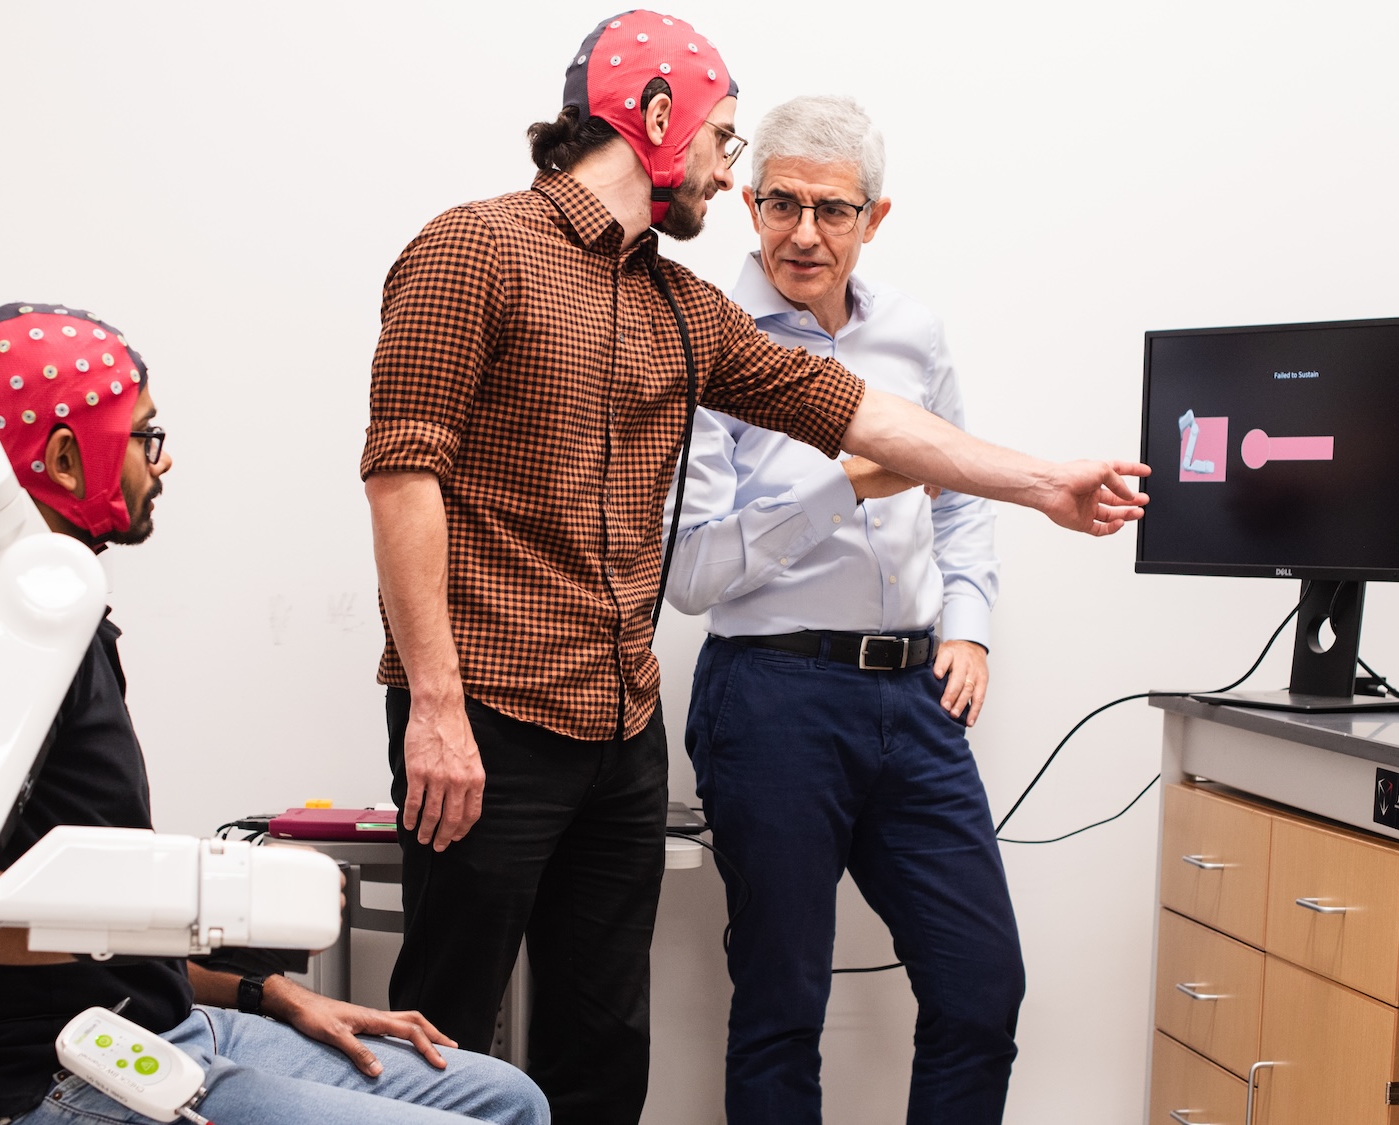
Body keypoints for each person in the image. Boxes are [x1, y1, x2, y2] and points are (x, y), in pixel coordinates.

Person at [361, 11, 1149, 1123]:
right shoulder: (472, 247)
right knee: (443, 1032)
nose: (730, 173)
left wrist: (1041, 483)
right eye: (726, 141)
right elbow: (402, 475)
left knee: (601, 1046)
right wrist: (432, 705)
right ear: (651, 118)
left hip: (618, 728)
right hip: (487, 711)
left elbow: (856, 411)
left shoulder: (680, 308)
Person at [0, 302, 546, 1125]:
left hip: (170, 1024)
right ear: (65, 456)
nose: (161, 463)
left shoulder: (55, 616)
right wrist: (196, 896)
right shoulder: (1, 637)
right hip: (68, 1073)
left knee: (507, 1097)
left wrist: (271, 990)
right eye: (143, 436)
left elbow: (98, 930)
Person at [664, 95, 1024, 1125]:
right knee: (781, 1005)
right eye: (780, 204)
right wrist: (841, 485)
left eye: (832, 209)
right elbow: (690, 575)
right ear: (746, 199)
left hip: (913, 698)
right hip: (770, 696)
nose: (804, 234)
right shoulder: (705, 344)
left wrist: (968, 625)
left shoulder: (912, 334)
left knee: (979, 987)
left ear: (875, 217)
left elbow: (958, 499)